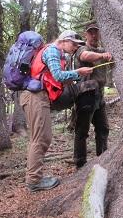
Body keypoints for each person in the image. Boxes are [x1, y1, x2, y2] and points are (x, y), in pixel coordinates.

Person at [20, 30, 93, 192]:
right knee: (41, 139)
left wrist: (77, 76)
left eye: (77, 45)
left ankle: (34, 177)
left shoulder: (55, 52)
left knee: (39, 138)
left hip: (37, 97)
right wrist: (78, 72)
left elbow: (57, 79)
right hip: (35, 97)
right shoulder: (52, 50)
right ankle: (34, 181)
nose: (75, 47)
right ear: (64, 40)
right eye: (74, 44)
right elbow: (59, 76)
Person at [73, 23, 113, 168]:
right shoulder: (82, 49)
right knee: (82, 130)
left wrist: (105, 54)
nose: (94, 35)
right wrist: (102, 55)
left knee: (103, 128)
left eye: (96, 32)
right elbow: (85, 56)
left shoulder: (102, 50)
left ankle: (102, 159)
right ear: (86, 35)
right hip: (85, 95)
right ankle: (80, 163)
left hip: (99, 96)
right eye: (91, 33)